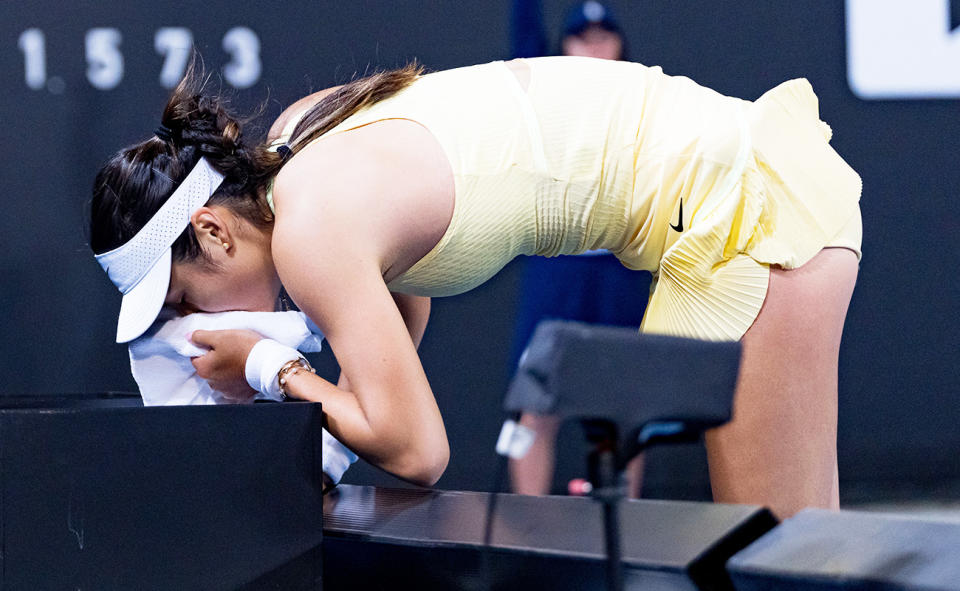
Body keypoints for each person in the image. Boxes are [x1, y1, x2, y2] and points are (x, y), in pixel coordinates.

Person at [90, 55, 862, 518]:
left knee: (778, 561)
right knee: (804, 549)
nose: (192, 321)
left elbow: (419, 451)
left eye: (182, 299)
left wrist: (269, 366)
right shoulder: (305, 137)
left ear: (215, 233)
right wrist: (322, 461)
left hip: (748, 206)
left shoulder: (309, 233)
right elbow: (398, 331)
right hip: (745, 183)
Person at [508, 0, 651, 497]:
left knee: (624, 401)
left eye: (603, 35)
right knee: (535, 400)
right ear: (563, 46)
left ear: (620, 46)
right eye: (580, 36)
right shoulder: (542, 93)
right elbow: (523, 38)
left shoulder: (645, 99)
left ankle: (624, 522)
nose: (592, 45)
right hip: (558, 270)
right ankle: (531, 526)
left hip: (620, 270)